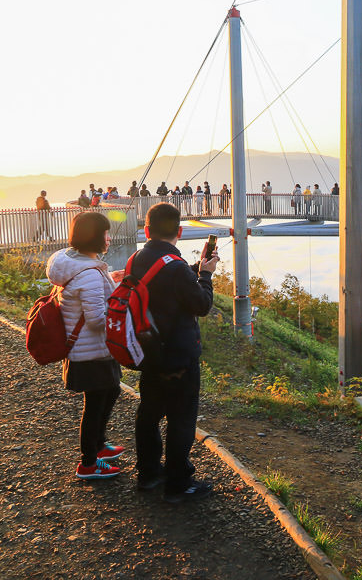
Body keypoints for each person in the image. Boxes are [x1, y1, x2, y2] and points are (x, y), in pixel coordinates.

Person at [132, 203, 218, 501]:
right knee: (181, 419)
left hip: (148, 353)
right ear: (179, 232)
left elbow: (161, 283)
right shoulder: (177, 268)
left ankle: (148, 474)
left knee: (150, 413)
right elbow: (202, 305)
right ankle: (179, 485)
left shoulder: (136, 260)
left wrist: (195, 269)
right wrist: (206, 276)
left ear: (146, 231)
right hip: (179, 357)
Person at [45, 212, 124, 480]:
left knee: (111, 391)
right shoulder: (88, 273)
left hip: (89, 349)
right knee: (94, 405)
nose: (109, 238)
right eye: (105, 233)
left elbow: (87, 296)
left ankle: (99, 447)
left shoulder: (73, 262)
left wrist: (112, 279)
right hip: (91, 351)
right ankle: (88, 463)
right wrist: (123, 311)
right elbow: (95, 320)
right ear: (95, 237)